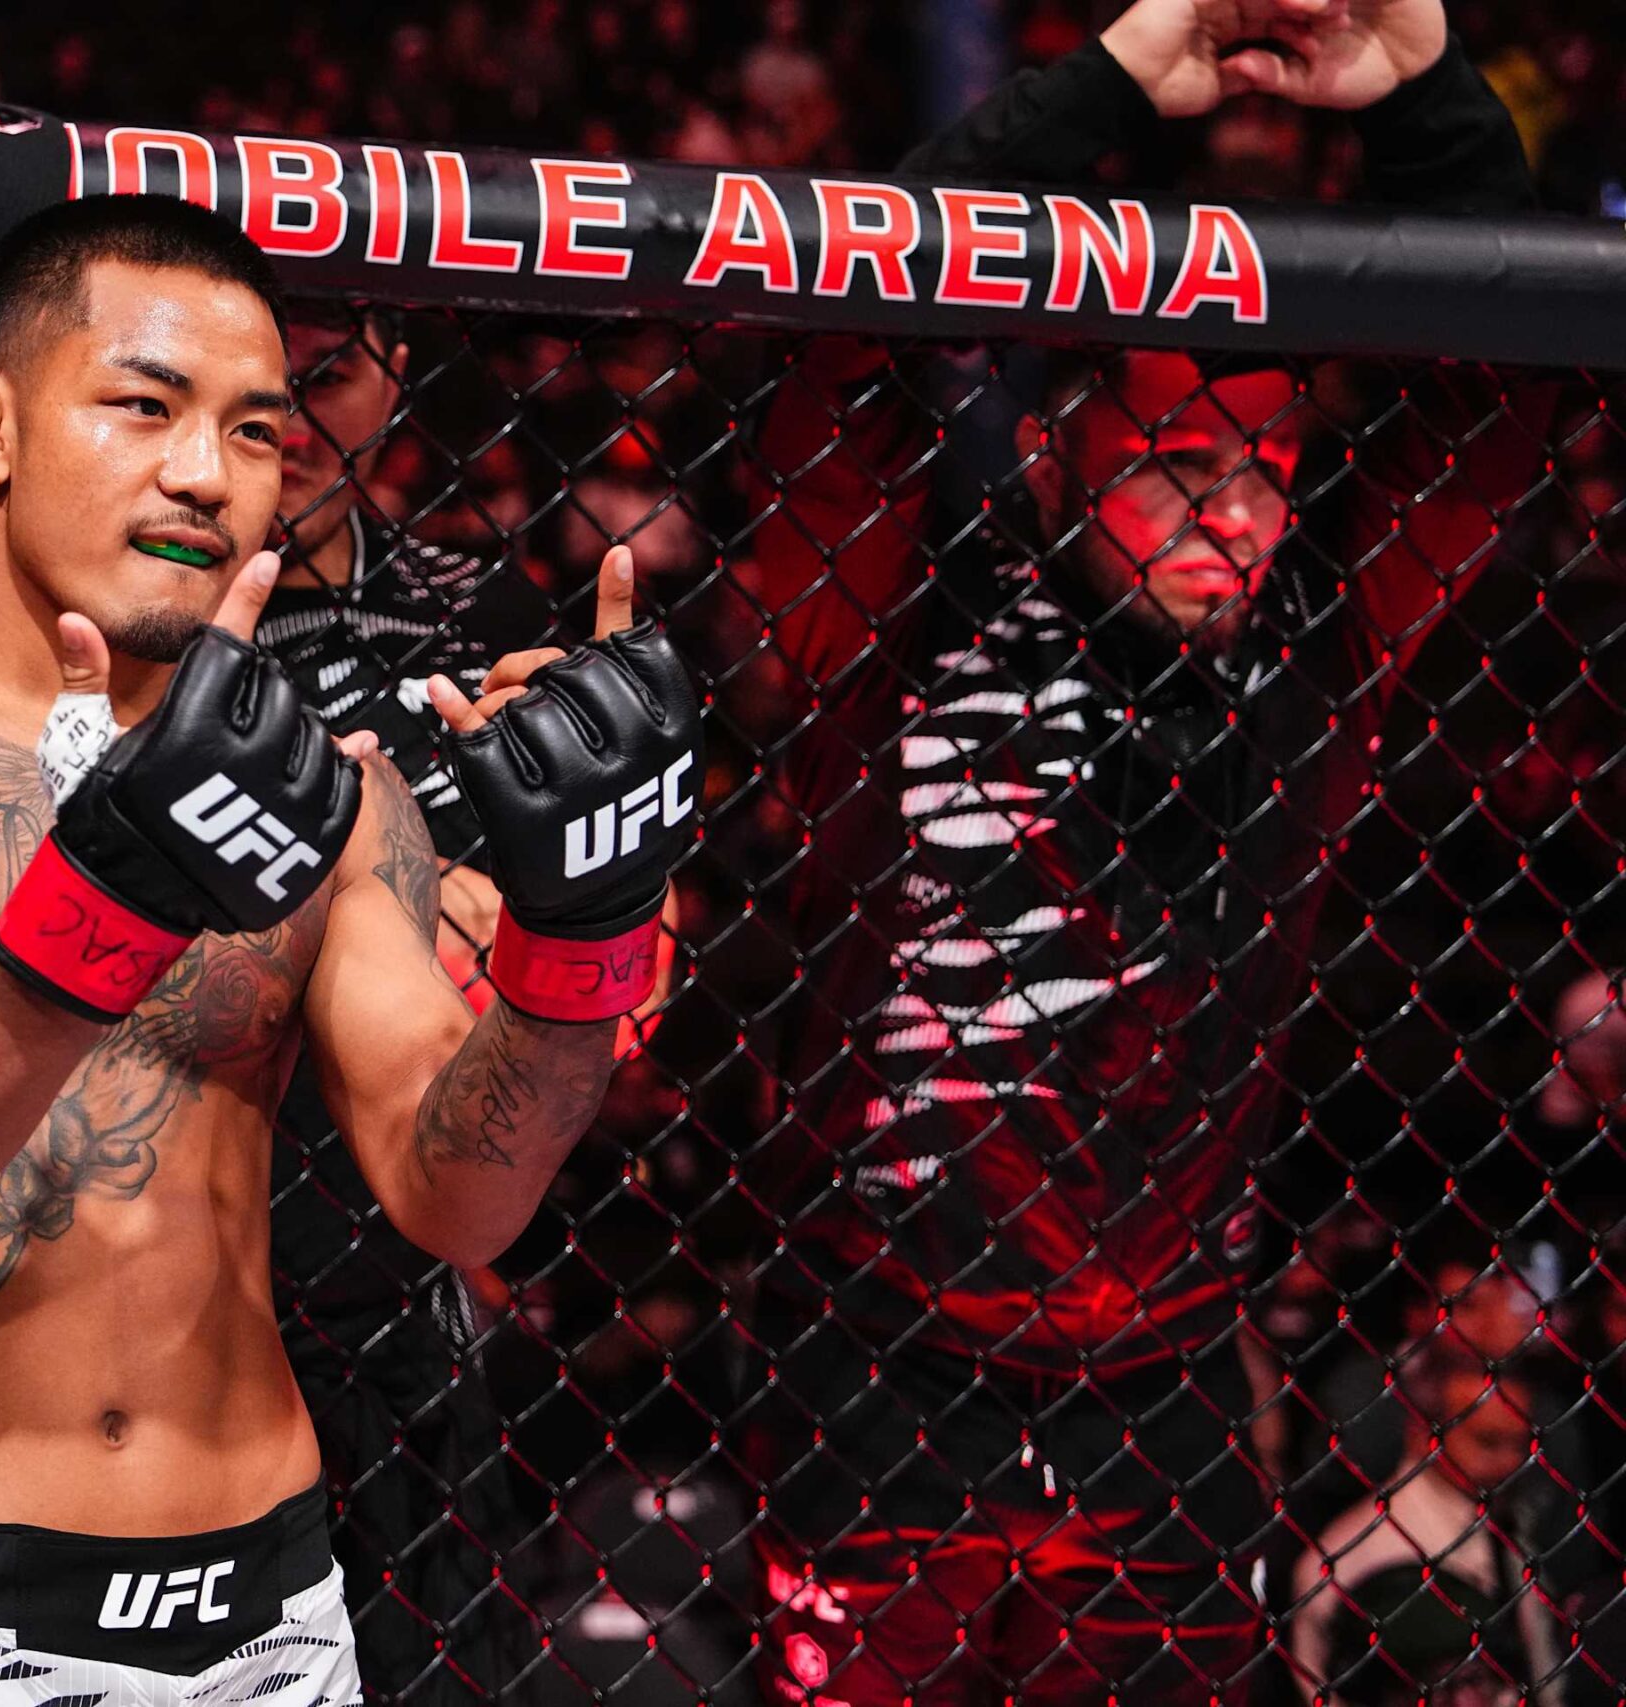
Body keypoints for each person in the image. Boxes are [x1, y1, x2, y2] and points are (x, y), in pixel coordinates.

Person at [0, 12, 703, 1702]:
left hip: (279, 1612)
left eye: (258, 428)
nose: (207, 471)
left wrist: (582, 944)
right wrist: (107, 902)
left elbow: (454, 1183)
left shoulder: (326, 781)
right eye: (143, 405)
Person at [742, 0, 1543, 1699]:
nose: (1237, 514)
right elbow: (841, 332)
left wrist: (1416, 85)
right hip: (886, 1358)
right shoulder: (903, 614)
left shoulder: (1310, 654)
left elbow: (1508, 402)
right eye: (1181, 464)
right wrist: (1103, 91)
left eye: (1267, 466)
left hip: (1166, 1378)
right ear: (1056, 453)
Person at [1287, 1352, 1561, 1706]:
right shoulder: (1360, 1552)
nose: (1513, 1462)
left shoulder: (1507, 1515)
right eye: (1488, 1442)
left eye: (1524, 1443)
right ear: (1421, 1433)